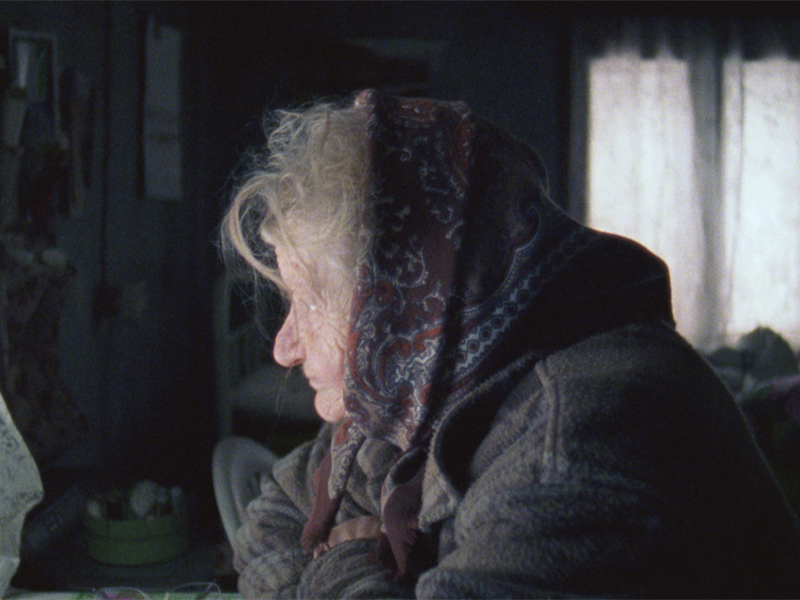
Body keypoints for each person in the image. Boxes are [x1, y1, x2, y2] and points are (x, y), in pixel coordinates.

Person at [220, 89, 800, 599]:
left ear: (404, 301)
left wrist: (343, 558)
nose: (283, 348)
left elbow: (295, 548)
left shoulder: (573, 448)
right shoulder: (431, 378)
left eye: (310, 301)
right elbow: (273, 518)